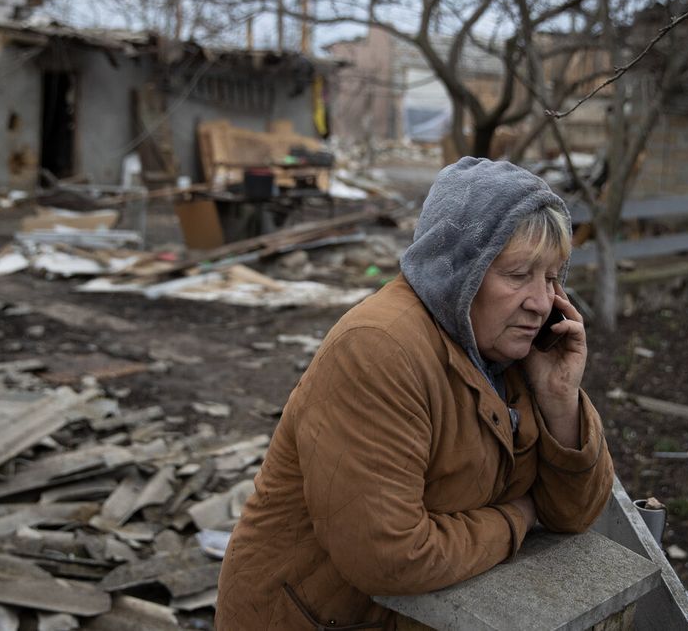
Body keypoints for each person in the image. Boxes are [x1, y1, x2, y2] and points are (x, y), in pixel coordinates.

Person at [216, 157, 615, 630]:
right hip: (309, 617)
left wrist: (559, 398)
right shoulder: (378, 349)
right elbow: (389, 556)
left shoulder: (515, 355)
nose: (541, 302)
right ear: (457, 269)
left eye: (551, 278)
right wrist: (518, 519)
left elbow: (576, 513)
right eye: (517, 274)